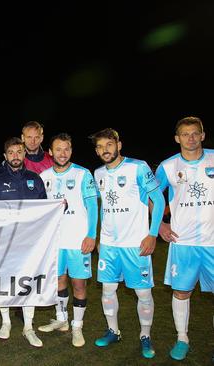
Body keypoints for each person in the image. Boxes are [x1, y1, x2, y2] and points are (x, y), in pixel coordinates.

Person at [90, 128, 165, 359]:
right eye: (101, 146)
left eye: (109, 145)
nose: (105, 150)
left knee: (143, 292)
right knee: (107, 290)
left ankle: (145, 335)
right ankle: (113, 331)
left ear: (119, 145)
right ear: (96, 150)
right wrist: (102, 237)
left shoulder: (138, 167)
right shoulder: (98, 172)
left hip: (136, 243)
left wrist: (152, 234)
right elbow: (104, 208)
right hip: (110, 246)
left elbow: (159, 200)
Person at [155, 116, 213, 361]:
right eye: (185, 134)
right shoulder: (167, 166)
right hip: (183, 242)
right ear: (177, 138)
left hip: (213, 241)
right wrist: (159, 224)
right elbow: (153, 197)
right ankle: (182, 338)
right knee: (181, 292)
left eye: (194, 133)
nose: (190, 138)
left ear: (202, 135)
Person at [0, 137, 46, 347]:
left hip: (30, 242)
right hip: (4, 242)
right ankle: (6, 322)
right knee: (4, 283)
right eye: (11, 152)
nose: (15, 156)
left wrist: (58, 206)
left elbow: (46, 210)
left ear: (24, 154)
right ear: (5, 156)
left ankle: (29, 327)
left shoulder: (35, 179)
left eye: (19, 151)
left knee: (28, 282)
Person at [37, 133, 98, 347]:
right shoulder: (44, 176)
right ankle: (62, 319)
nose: (63, 153)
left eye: (67, 149)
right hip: (55, 241)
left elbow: (92, 206)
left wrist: (91, 235)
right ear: (50, 152)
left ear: (71, 151)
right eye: (58, 149)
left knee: (78, 283)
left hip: (77, 240)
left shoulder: (83, 174)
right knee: (58, 281)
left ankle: (77, 326)